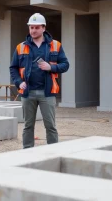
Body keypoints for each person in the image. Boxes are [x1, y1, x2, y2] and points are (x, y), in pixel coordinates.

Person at [10, 13, 69, 148]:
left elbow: (65, 65)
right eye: (31, 27)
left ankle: (53, 153)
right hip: (27, 93)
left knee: (50, 126)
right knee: (28, 126)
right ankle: (28, 153)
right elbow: (13, 68)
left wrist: (51, 67)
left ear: (43, 28)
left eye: (36, 27)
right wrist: (19, 82)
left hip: (47, 93)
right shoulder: (21, 47)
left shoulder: (55, 45)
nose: (33, 30)